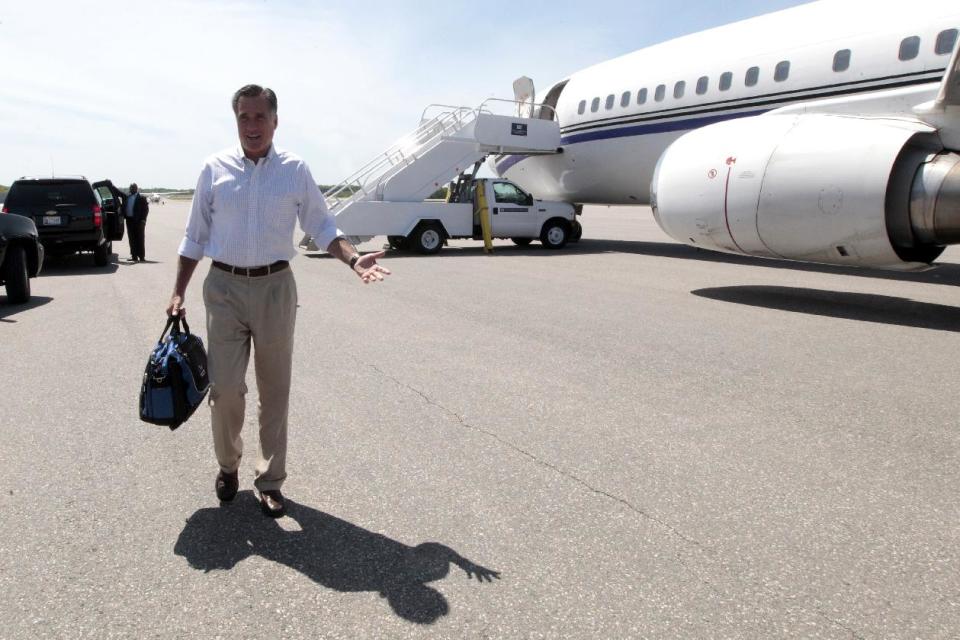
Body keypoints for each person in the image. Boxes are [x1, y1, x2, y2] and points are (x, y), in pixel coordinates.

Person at [166, 84, 391, 518]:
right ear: (236, 121)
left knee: (275, 389)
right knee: (226, 388)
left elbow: (322, 225)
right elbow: (194, 236)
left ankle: (270, 479)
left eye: (259, 117)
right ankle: (227, 465)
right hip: (225, 287)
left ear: (275, 120)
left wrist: (353, 259)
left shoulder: (294, 170)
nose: (252, 126)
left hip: (275, 287)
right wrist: (177, 289)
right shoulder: (214, 169)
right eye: (243, 117)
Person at [123, 183, 149, 262]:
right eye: (130, 188)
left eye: (133, 188)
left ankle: (141, 256)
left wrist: (143, 220)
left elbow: (146, 210)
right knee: (131, 239)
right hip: (129, 220)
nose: (131, 189)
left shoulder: (142, 198)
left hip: (139, 221)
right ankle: (134, 256)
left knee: (140, 238)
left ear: (136, 188)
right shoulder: (128, 197)